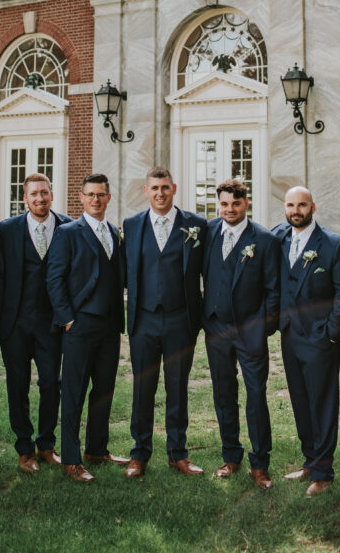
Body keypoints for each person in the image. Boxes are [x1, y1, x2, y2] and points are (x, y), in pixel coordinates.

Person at [122, 166, 206, 478]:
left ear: (174, 188)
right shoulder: (131, 225)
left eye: (165, 188)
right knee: (143, 388)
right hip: (143, 320)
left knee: (177, 388)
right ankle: (139, 453)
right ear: (146, 191)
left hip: (179, 320)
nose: (160, 193)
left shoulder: (195, 225)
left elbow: (207, 271)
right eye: (154, 188)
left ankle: (177, 453)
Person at [47, 173, 128, 483]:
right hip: (79, 326)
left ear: (108, 198)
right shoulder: (68, 233)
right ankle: (71, 457)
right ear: (80, 198)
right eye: (90, 194)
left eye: (101, 194)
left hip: (109, 326)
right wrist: (67, 319)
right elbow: (54, 279)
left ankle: (97, 448)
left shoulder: (114, 232)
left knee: (104, 390)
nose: (96, 199)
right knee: (74, 392)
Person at [274, 185, 340, 496]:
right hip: (290, 335)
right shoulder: (279, 238)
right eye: (291, 205)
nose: (296, 210)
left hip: (321, 337)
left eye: (302, 205)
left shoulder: (335, 245)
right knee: (300, 399)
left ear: (314, 207)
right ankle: (309, 460)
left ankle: (323, 472)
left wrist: (332, 332)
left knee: (322, 402)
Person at [202, 179, 280, 490]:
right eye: (223, 204)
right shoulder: (208, 233)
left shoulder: (264, 239)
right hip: (216, 327)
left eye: (235, 204)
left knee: (256, 395)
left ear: (245, 203)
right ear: (218, 205)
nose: (229, 209)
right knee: (223, 393)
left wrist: (262, 326)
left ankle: (260, 463)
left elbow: (274, 291)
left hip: (250, 330)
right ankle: (230, 455)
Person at [0, 173, 71, 473]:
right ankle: (24, 448)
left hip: (51, 323)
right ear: (24, 198)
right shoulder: (7, 229)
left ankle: (46, 445)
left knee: (51, 384)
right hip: (15, 323)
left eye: (44, 192)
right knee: (18, 385)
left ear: (51, 194)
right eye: (33, 194)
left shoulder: (68, 226)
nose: (39, 198)